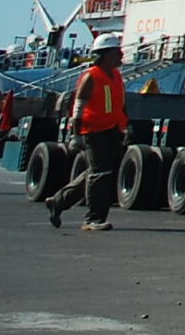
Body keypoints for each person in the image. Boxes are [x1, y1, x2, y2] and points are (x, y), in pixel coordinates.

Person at [47, 34, 129, 231]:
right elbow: (78, 107)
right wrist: (76, 135)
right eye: (117, 52)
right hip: (93, 132)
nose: (121, 55)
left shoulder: (116, 76)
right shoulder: (91, 76)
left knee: (98, 172)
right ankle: (93, 219)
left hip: (112, 130)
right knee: (100, 174)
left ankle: (58, 201)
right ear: (107, 54)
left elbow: (120, 104)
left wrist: (126, 127)